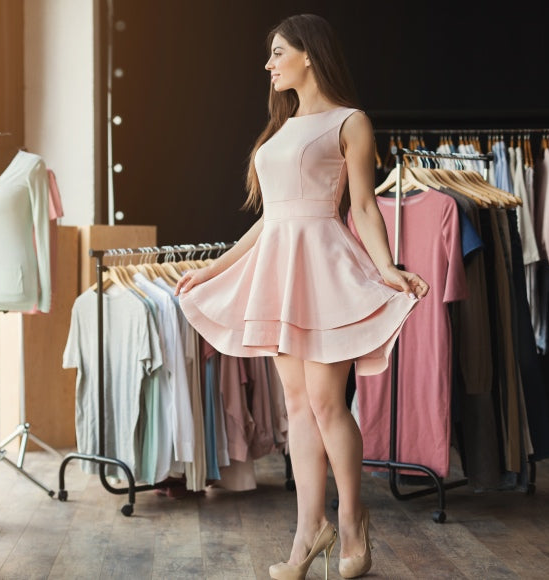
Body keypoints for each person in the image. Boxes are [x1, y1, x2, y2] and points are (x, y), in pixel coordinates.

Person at [174, 13, 429, 580]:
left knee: (325, 401)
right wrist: (213, 267)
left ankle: (354, 522)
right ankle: (307, 535)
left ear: (309, 55)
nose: (268, 65)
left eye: (277, 53)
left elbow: (363, 205)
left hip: (326, 268)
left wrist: (387, 267)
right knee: (296, 406)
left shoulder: (351, 122)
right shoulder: (281, 129)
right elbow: (270, 220)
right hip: (280, 270)